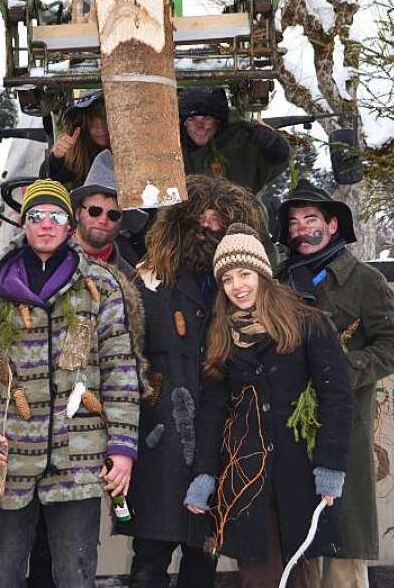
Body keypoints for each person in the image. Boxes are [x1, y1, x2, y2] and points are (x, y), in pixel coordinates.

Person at [0, 178, 140, 588]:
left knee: (75, 573)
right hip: (7, 453)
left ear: (70, 226)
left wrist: (123, 448)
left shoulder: (100, 285)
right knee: (1, 571)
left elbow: (121, 369)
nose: (47, 224)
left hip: (78, 456)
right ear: (24, 223)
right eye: (37, 216)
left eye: (56, 216)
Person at [183, 224, 353, 588]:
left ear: (262, 273)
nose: (237, 286)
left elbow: (336, 396)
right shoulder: (220, 333)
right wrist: (204, 474)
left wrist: (330, 465)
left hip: (299, 475)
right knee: (258, 578)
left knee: (298, 576)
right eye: (227, 278)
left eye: (244, 274)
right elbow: (213, 411)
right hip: (246, 479)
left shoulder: (307, 322)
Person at [125, 174, 273, 588]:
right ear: (179, 225)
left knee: (203, 555)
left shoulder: (238, 288)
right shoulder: (149, 283)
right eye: (200, 220)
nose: (208, 229)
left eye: (218, 223)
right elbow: (125, 356)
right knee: (150, 555)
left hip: (219, 437)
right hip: (161, 437)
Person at [277, 181, 394, 588]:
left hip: (344, 431)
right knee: (301, 551)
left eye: (311, 219)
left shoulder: (365, 281)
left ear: (333, 224)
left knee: (343, 552)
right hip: (290, 432)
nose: (302, 229)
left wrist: (340, 371)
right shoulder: (279, 282)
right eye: (295, 222)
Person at [179, 87, 290, 194]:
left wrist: (275, 146)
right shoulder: (173, 149)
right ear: (184, 123)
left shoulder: (241, 143)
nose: (199, 126)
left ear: (218, 121)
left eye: (206, 118)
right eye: (191, 119)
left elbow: (277, 164)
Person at [70, 148, 148, 274]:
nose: (103, 220)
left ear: (121, 222)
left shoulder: (131, 281)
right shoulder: (46, 259)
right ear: (78, 213)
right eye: (94, 211)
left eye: (113, 215)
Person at [39, 92, 110, 190]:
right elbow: (47, 181)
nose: (100, 129)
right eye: (92, 123)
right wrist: (56, 158)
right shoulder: (81, 153)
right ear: (83, 126)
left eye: (105, 121)